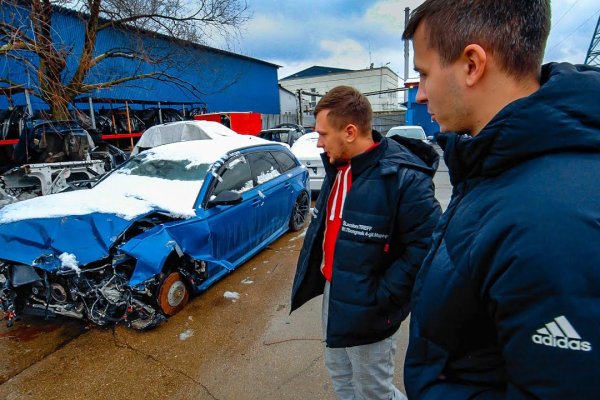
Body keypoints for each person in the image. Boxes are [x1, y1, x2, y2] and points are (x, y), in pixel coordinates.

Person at [401, 1, 600, 398]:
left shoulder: (549, 222)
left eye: (424, 74)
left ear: (472, 64)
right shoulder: (496, 165)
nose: (420, 95)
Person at [290, 85, 441, 400]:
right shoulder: (339, 168)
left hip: (372, 306)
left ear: (349, 131)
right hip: (336, 291)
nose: (317, 142)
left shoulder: (403, 176)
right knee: (342, 378)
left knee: (374, 392)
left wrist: (382, 296)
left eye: (321, 133)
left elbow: (427, 248)